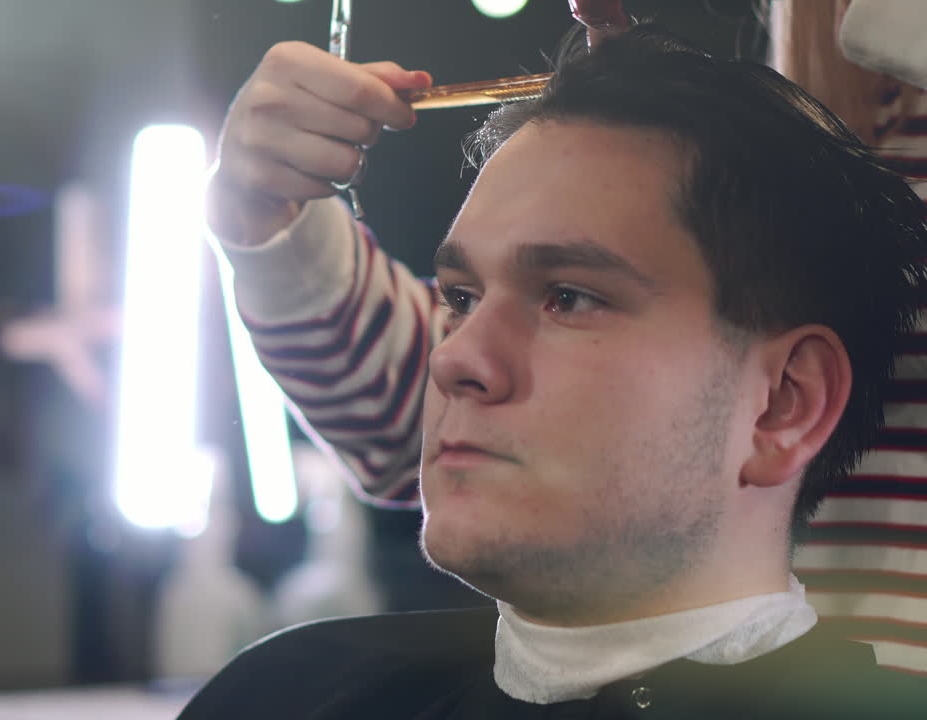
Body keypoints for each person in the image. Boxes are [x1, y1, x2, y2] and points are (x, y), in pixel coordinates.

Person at [181, 25, 927, 718]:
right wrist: (272, 219)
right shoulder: (286, 696)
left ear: (782, 404)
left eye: (569, 297)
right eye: (462, 300)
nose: (452, 360)